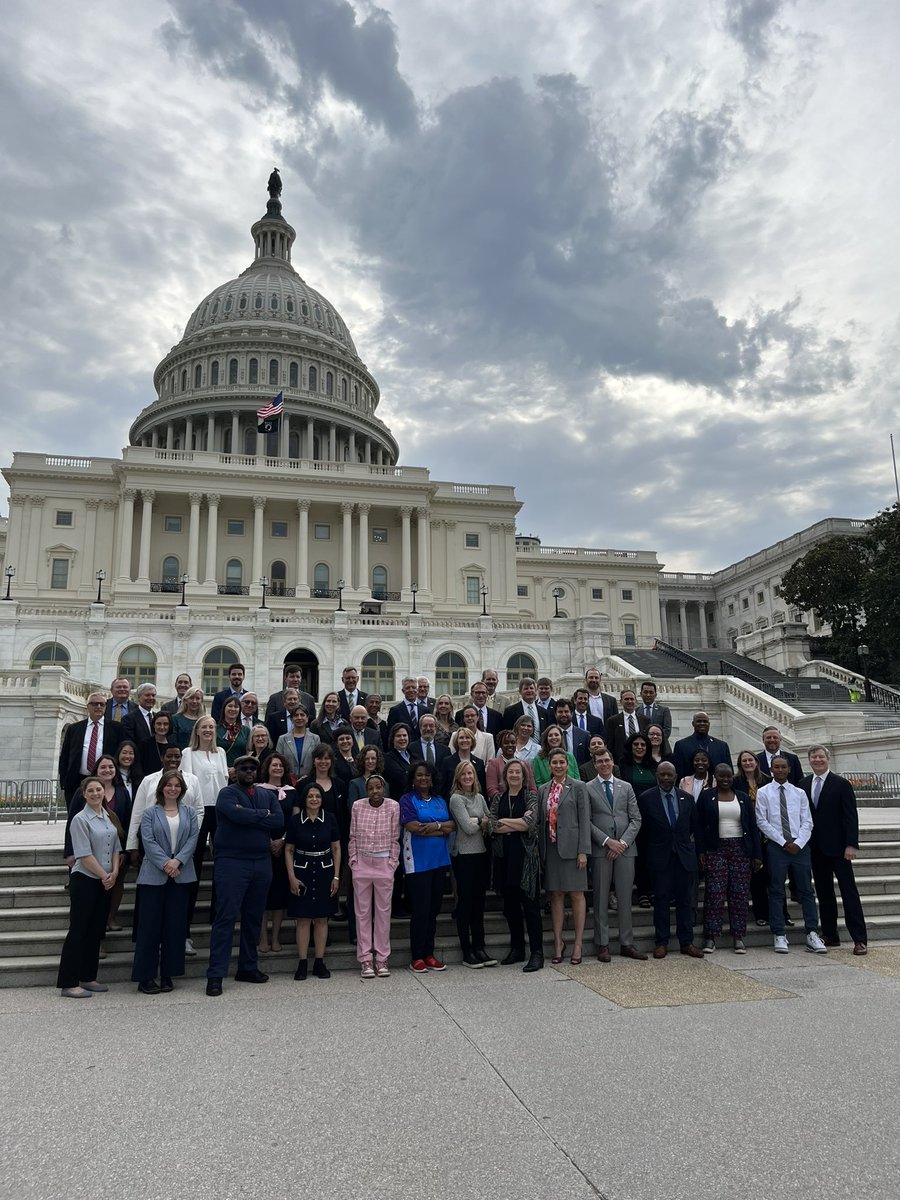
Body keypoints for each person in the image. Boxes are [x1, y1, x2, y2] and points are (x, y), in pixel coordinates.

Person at [206, 756, 284, 996]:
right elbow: (234, 815)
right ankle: (216, 974)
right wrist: (262, 816)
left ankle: (247, 967)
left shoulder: (268, 795)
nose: (249, 771)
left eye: (252, 768)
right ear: (235, 772)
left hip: (261, 862)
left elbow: (279, 821)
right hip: (231, 862)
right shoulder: (226, 794)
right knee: (226, 917)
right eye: (243, 768)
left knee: (253, 917)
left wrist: (250, 815)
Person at [131, 770, 199, 994]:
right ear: (161, 788)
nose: (173, 789)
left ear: (182, 789)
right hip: (154, 875)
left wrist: (178, 861)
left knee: (175, 927)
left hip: (181, 875)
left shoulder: (189, 812)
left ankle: (169, 974)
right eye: (169, 785)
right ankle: (146, 976)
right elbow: (147, 841)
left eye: (177, 785)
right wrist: (165, 863)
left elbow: (192, 839)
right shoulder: (151, 813)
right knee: (149, 928)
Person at [56, 776, 121, 999]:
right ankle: (68, 981)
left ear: (104, 792)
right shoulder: (80, 819)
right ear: (84, 795)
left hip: (105, 880)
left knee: (95, 930)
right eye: (91, 791)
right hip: (86, 880)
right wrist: (105, 875)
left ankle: (88, 976)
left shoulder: (108, 817)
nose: (95, 794)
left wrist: (114, 873)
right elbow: (83, 854)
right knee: (79, 930)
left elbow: (116, 848)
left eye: (99, 790)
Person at [754, 756, 827, 954]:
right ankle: (778, 933)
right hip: (778, 847)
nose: (779, 770)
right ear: (771, 769)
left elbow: (807, 821)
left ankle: (812, 933)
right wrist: (783, 842)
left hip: (800, 846)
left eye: (783, 767)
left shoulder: (799, 793)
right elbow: (762, 821)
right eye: (776, 767)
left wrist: (798, 843)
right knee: (776, 890)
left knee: (806, 891)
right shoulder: (763, 792)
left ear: (789, 769)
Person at [801, 745, 868, 954]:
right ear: (809, 760)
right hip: (816, 849)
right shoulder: (803, 784)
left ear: (827, 759)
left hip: (840, 849)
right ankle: (830, 935)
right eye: (814, 757)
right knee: (824, 893)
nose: (818, 760)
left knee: (849, 893)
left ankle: (859, 939)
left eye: (821, 756)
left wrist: (851, 845)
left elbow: (850, 816)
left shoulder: (841, 784)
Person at [637, 762, 704, 959]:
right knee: (661, 900)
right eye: (662, 775)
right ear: (657, 775)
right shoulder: (646, 798)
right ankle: (661, 942)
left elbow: (695, 828)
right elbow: (643, 832)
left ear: (676, 776)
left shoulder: (687, 798)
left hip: (684, 857)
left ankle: (686, 942)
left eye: (670, 775)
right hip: (659, 857)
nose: (666, 778)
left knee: (685, 900)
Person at [586, 750, 645, 961]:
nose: (604, 764)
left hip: (626, 849)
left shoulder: (626, 787)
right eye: (599, 761)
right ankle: (602, 944)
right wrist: (607, 841)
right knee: (601, 897)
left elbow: (636, 819)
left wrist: (621, 843)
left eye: (607, 760)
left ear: (612, 762)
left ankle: (626, 942)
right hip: (601, 849)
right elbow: (587, 821)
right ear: (594, 764)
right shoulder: (588, 788)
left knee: (625, 897)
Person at [696, 764, 761, 954]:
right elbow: (699, 825)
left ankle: (738, 935)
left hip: (740, 848)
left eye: (728, 777)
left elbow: (752, 825)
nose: (725, 779)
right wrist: (700, 850)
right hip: (715, 848)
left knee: (739, 893)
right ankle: (711, 936)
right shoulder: (707, 796)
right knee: (714, 893)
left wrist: (756, 854)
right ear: (715, 776)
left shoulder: (741, 796)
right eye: (721, 776)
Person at [400, 761, 455, 973]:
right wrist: (440, 828)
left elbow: (452, 825)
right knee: (421, 910)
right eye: (419, 775)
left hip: (439, 861)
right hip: (417, 862)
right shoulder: (407, 800)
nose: (424, 779)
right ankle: (417, 956)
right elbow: (412, 826)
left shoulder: (440, 800)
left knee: (433, 910)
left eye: (427, 775)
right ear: (413, 779)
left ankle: (429, 953)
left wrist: (436, 827)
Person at [181, 716, 229, 953]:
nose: (208, 730)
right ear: (197, 731)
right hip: (197, 811)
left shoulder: (220, 752)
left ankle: (217, 922)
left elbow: (225, 781)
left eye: (212, 726)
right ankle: (185, 931)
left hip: (219, 811)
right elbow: (188, 784)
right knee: (194, 866)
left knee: (222, 867)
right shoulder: (188, 753)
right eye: (204, 727)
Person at [490, 760, 543, 971]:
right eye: (510, 772)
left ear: (524, 776)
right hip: (504, 857)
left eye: (517, 772)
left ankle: (537, 953)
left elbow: (530, 824)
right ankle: (517, 948)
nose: (514, 775)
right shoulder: (498, 797)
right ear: (505, 775)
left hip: (525, 858)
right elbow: (491, 824)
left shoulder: (530, 796)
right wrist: (517, 822)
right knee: (510, 906)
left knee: (530, 906)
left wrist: (506, 823)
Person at [538, 749, 590, 964]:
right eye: (554, 763)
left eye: (562, 762)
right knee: (556, 895)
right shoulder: (543, 789)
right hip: (550, 849)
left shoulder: (578, 787)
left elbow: (585, 820)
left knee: (576, 895)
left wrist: (583, 851)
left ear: (567, 765)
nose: (558, 766)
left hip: (572, 849)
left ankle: (578, 943)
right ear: (549, 765)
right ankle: (558, 942)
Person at [285, 783, 341, 980]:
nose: (314, 799)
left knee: (322, 918)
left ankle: (319, 961)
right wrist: (291, 876)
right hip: (303, 872)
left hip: (325, 871)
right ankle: (302, 963)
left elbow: (336, 848)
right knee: (302, 919)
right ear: (305, 799)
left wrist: (336, 876)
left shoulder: (330, 819)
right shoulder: (295, 821)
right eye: (310, 796)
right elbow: (289, 850)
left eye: (317, 796)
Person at [348, 774, 400, 978]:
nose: (375, 791)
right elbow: (352, 836)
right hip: (362, 863)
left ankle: (382, 957)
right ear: (366, 790)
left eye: (379, 787)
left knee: (383, 913)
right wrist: (354, 861)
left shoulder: (393, 806)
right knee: (362, 913)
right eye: (371, 788)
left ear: (384, 789)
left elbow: (396, 837)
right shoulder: (358, 806)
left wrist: (392, 863)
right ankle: (365, 959)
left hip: (384, 863)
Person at [448, 761, 496, 968]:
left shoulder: (480, 797)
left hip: (481, 853)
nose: (468, 777)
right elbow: (467, 827)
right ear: (458, 778)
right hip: (464, 855)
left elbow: (491, 822)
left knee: (479, 903)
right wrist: (481, 820)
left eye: (471, 773)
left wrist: (481, 821)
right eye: (464, 774)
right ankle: (467, 950)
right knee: (466, 903)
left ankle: (480, 947)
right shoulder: (456, 799)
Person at [255, 752, 297, 955]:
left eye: (280, 765)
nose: (277, 768)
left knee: (279, 895)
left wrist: (283, 840)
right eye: (274, 765)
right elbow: (256, 818)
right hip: (263, 846)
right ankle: (263, 936)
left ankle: (275, 937)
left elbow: (294, 820)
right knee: (263, 894)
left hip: (285, 848)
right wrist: (268, 841)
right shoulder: (258, 791)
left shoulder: (292, 792)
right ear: (267, 768)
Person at [57, 693, 124, 808]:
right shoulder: (74, 728)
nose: (98, 707)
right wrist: (64, 781)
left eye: (102, 704)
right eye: (94, 704)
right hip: (77, 782)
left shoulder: (116, 728)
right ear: (87, 706)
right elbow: (65, 756)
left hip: (105, 782)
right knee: (75, 818)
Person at [673, 712, 732, 779]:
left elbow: (729, 773)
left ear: (709, 724)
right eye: (699, 721)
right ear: (693, 723)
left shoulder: (722, 746)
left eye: (705, 721)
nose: (702, 723)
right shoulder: (681, 746)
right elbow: (679, 773)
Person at [275, 706, 321, 782]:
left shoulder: (315, 739)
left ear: (307, 718)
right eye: (296, 715)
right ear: (291, 719)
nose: (299, 718)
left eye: (302, 715)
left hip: (309, 780)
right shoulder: (282, 739)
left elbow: (318, 761)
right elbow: (279, 761)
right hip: (287, 781)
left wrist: (309, 776)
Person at [604, 689, 650, 765]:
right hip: (621, 762)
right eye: (626, 699)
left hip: (642, 761)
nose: (629, 701)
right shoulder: (612, 721)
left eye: (632, 699)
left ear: (636, 702)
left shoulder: (645, 720)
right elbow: (610, 745)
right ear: (621, 701)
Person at [440, 726, 488, 797]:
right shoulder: (447, 762)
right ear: (457, 741)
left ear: (472, 741)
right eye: (461, 738)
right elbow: (442, 787)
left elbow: (482, 788)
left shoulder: (479, 763)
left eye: (467, 737)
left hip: (474, 803)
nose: (464, 740)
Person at [487, 729, 536, 798]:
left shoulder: (525, 764)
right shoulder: (493, 764)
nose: (510, 745)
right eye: (506, 743)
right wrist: (505, 801)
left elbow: (532, 789)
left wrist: (528, 801)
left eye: (513, 742)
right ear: (500, 745)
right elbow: (491, 789)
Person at [383, 722, 416, 802]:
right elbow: (402, 778)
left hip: (416, 799)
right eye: (398, 736)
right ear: (392, 739)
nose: (402, 738)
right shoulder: (387, 758)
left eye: (404, 735)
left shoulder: (415, 756)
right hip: (399, 800)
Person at [216, 695, 250, 772]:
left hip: (240, 772)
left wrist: (236, 769)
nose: (233, 709)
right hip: (219, 770)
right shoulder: (215, 729)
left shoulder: (246, 730)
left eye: (236, 707)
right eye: (230, 706)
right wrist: (225, 769)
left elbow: (249, 753)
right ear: (224, 708)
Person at [553, 698, 591, 765]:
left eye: (566, 711)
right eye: (560, 712)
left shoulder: (584, 735)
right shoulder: (547, 736)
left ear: (572, 713)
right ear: (555, 714)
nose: (564, 715)